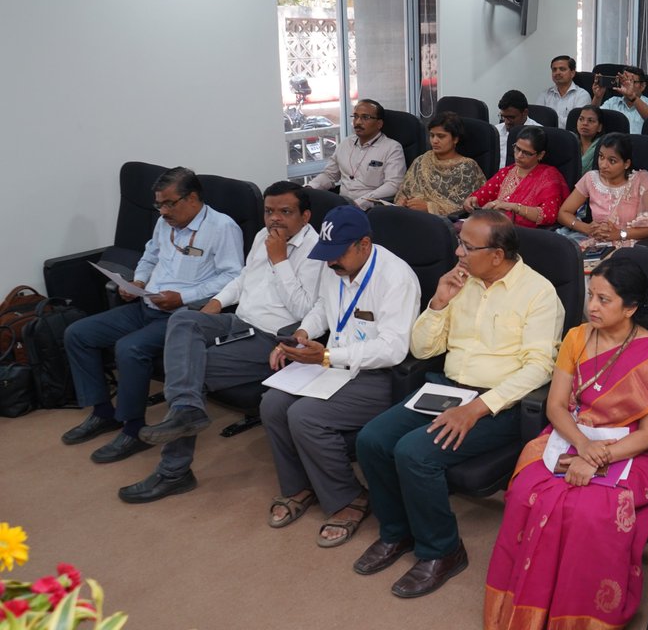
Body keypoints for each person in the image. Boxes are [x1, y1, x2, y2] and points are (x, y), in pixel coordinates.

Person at [353, 211, 565, 598]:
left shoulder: (538, 293)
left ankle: (443, 550)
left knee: (414, 453)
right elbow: (422, 349)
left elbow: (540, 369)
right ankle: (397, 531)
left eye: (468, 246)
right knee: (372, 439)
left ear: (498, 255)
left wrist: (478, 408)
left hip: (499, 403)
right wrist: (438, 302)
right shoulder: (460, 282)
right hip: (446, 388)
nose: (458, 251)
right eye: (460, 241)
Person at [484, 257, 648, 630]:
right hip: (574, 432)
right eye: (591, 296)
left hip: (635, 449)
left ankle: (581, 618)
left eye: (605, 300)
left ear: (631, 307)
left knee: (591, 512)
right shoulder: (576, 337)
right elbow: (555, 405)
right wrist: (583, 446)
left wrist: (598, 457)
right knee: (526, 491)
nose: (592, 307)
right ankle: (527, 606)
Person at [120, 181, 323, 503]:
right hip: (237, 320)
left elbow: (306, 310)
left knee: (190, 369)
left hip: (271, 337)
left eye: (285, 212)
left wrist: (280, 259)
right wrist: (215, 303)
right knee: (184, 319)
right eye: (269, 211)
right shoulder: (263, 237)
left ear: (305, 216)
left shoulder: (316, 252)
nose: (275, 219)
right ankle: (186, 410)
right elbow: (243, 279)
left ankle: (174, 472)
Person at [261, 205, 420, 547]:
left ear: (364, 244)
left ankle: (349, 498)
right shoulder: (333, 267)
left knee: (305, 416)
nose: (331, 262)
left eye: (338, 254)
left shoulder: (397, 277)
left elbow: (394, 348)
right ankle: (299, 486)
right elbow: (322, 308)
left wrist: (331, 355)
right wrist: (303, 334)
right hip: (332, 364)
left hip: (378, 375)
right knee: (272, 403)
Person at [62, 167, 243, 464]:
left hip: (183, 317)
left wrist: (183, 297)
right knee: (78, 334)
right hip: (147, 305)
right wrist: (138, 282)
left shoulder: (222, 228)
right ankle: (103, 412)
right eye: (159, 204)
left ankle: (134, 430)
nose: (162, 211)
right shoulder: (165, 223)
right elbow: (149, 256)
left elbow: (233, 277)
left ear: (193, 198)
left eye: (169, 203)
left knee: (130, 349)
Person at [556, 132, 648, 249]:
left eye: (612, 161)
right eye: (601, 157)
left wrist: (618, 234)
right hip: (597, 244)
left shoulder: (641, 181)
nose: (603, 165)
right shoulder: (591, 179)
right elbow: (563, 213)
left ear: (626, 164)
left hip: (631, 245)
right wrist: (586, 228)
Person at [309, 99, 407, 209]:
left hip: (371, 209)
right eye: (355, 116)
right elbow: (329, 175)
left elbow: (393, 184)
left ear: (379, 124)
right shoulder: (346, 143)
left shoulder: (392, 148)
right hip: (343, 205)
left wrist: (362, 202)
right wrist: (310, 187)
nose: (358, 122)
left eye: (365, 117)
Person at [465, 126, 569, 229]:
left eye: (526, 153)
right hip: (496, 228)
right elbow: (482, 196)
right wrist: (472, 201)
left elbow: (548, 215)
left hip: (526, 234)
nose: (519, 155)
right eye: (517, 148)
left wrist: (514, 207)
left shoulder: (549, 177)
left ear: (540, 155)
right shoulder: (506, 172)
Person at [393, 111, 485, 216]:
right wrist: (404, 202)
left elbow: (465, 207)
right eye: (432, 135)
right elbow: (403, 193)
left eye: (441, 136)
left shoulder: (467, 167)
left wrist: (429, 207)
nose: (434, 141)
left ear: (455, 139)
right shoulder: (421, 161)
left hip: (443, 223)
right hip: (411, 216)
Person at [600, 66, 648, 133]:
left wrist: (633, 97)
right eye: (624, 81)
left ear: (642, 86)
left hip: (640, 143)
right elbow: (594, 119)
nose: (627, 84)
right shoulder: (612, 102)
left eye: (631, 81)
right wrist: (598, 97)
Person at [536, 55, 592, 128]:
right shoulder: (545, 95)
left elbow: (576, 124)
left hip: (571, 137)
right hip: (546, 135)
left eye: (562, 69)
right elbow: (537, 119)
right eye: (554, 70)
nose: (557, 72)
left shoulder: (582, 95)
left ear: (572, 73)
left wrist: (549, 119)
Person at [495, 90, 542, 168]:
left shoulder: (539, 134)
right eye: (503, 117)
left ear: (525, 113)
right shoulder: (496, 131)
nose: (506, 122)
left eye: (511, 117)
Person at [574, 104, 605, 172]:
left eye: (590, 120)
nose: (585, 123)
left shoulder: (603, 148)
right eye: (581, 119)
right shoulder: (570, 142)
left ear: (599, 127)